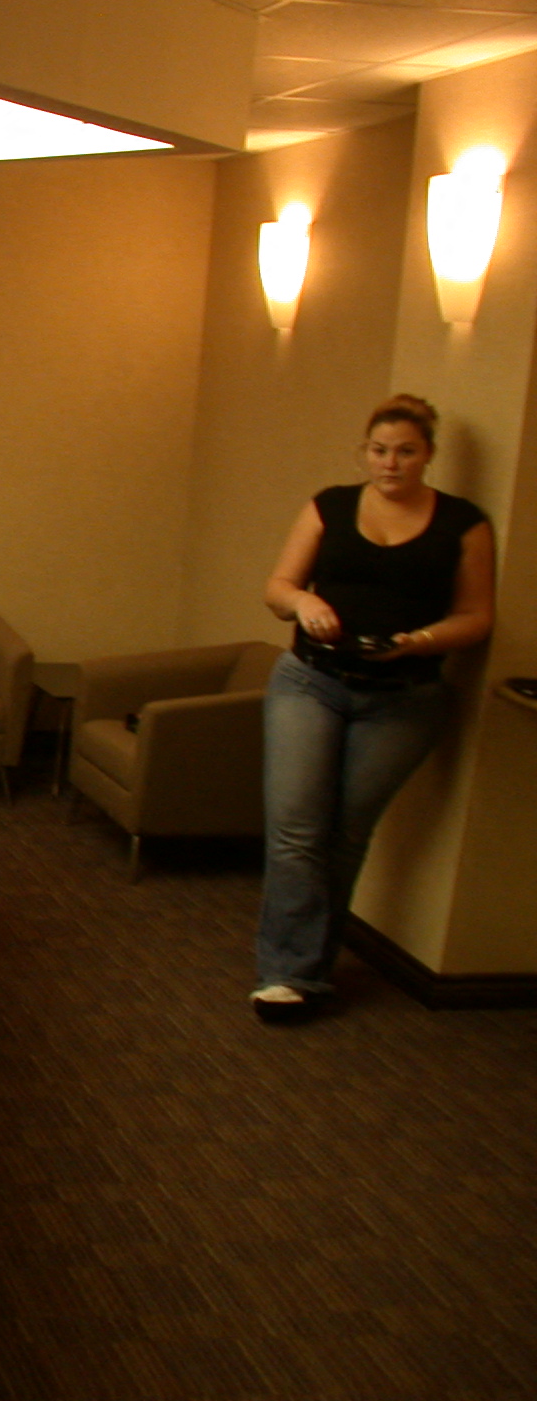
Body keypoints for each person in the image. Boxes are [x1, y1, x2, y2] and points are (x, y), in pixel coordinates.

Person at [252, 395, 495, 1022]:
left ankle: (309, 968)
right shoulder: (329, 506)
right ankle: (287, 973)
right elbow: (278, 587)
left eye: (406, 451)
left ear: (428, 455)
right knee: (296, 828)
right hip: (312, 681)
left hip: (404, 699)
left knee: (346, 833)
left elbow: (476, 618)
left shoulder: (464, 525)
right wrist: (304, 605)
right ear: (364, 452)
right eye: (380, 450)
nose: (391, 463)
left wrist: (417, 641)